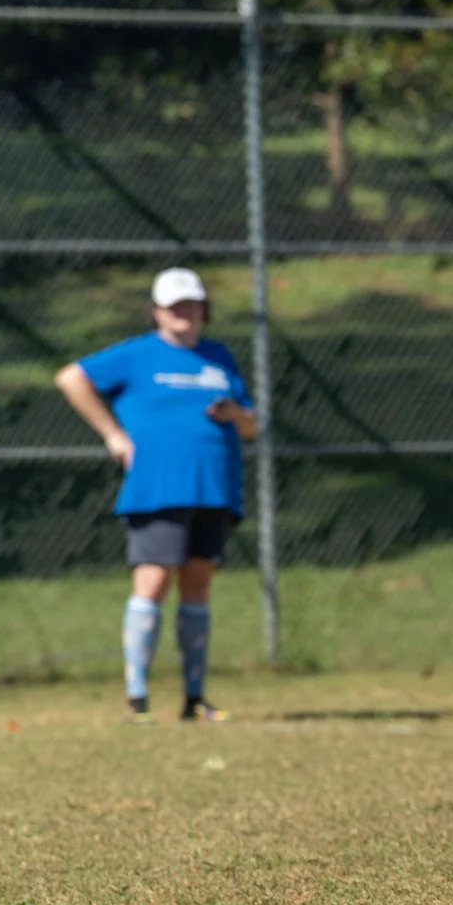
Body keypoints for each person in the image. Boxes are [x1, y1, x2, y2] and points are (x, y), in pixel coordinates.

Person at [53, 267, 258, 721]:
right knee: (153, 580)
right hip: (158, 487)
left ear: (204, 310)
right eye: (174, 306)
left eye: (192, 305)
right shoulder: (137, 355)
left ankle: (193, 696)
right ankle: (137, 697)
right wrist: (113, 435)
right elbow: (70, 378)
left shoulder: (219, 358)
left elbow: (251, 426)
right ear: (157, 312)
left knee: (198, 584)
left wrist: (233, 414)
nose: (184, 313)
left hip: (213, 487)